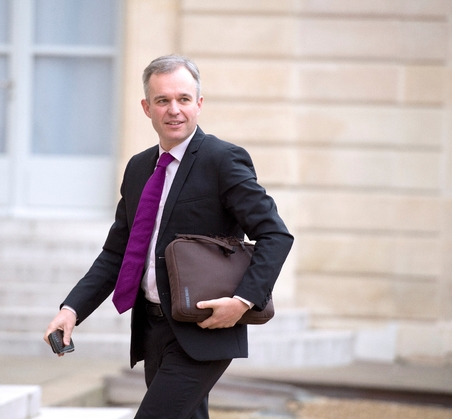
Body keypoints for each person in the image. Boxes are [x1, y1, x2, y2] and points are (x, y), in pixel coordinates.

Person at [43, 54, 294, 419]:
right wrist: (72, 309)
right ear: (147, 107)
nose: (174, 110)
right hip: (154, 329)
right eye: (162, 100)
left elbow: (275, 234)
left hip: (204, 329)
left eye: (183, 99)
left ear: (199, 104)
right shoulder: (138, 168)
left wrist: (242, 302)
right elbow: (117, 253)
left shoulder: (223, 160)